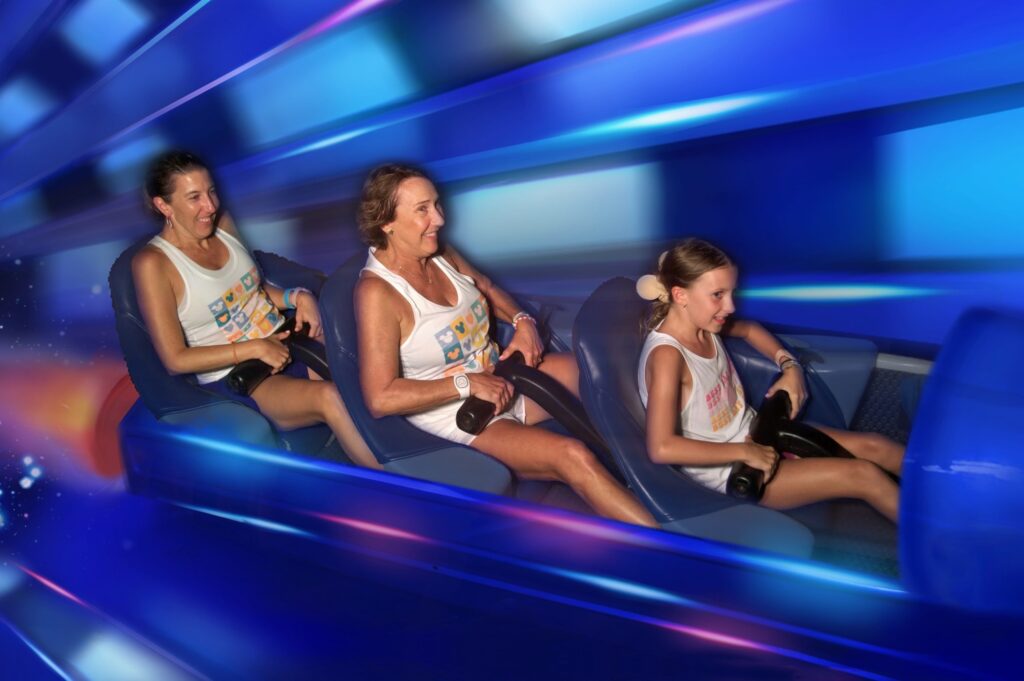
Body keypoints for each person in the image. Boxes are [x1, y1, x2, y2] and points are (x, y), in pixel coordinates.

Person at [354, 163, 657, 528]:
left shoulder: (438, 252)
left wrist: (522, 322)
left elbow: (486, 288)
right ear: (386, 222)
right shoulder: (377, 293)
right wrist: (466, 384)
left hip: (501, 376)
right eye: (422, 209)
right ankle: (681, 560)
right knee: (571, 456)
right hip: (460, 416)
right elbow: (380, 398)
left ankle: (673, 478)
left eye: (436, 205)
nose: (438, 218)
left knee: (601, 376)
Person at [133, 150, 376, 468]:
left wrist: (296, 297)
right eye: (194, 197)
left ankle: (429, 446)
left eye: (211, 192)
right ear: (164, 205)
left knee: (368, 361)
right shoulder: (153, 264)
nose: (210, 206)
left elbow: (252, 291)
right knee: (330, 398)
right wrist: (255, 348)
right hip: (242, 378)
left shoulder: (222, 223)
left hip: (285, 341)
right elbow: (175, 359)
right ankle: (408, 493)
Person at [637, 239, 903, 522]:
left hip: (759, 434)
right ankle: (940, 544)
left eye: (731, 293)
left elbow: (750, 330)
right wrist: (745, 451)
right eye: (718, 294)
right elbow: (661, 447)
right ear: (680, 295)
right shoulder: (668, 356)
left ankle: (949, 496)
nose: (730, 306)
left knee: (877, 447)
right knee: (863, 475)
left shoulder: (705, 325)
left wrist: (790, 367)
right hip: (735, 472)